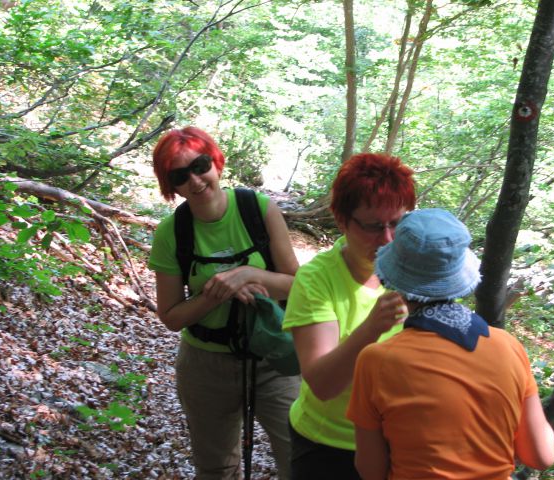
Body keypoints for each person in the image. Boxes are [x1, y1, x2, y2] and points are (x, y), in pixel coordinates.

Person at [347, 208, 554, 480]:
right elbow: (541, 457)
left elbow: (371, 471)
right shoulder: (509, 347)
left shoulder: (377, 360)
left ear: (393, 279)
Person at [147, 126, 300, 480]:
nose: (195, 181)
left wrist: (249, 276)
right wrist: (217, 292)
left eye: (200, 165)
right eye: (179, 176)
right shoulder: (171, 232)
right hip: (204, 365)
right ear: (171, 184)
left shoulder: (258, 209)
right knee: (216, 469)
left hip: (273, 356)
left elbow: (296, 284)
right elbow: (170, 316)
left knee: (299, 457)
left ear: (215, 162)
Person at [281, 152, 417, 479]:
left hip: (395, 440)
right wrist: (371, 327)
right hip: (328, 444)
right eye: (373, 226)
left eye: (397, 223)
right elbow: (323, 383)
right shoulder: (317, 279)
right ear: (342, 220)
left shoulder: (417, 270)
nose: (386, 239)